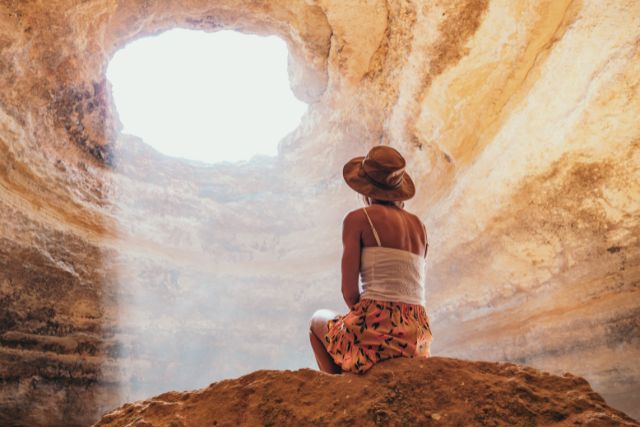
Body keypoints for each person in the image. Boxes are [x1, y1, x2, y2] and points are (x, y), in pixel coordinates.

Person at [309, 145, 433, 374]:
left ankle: (337, 385)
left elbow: (349, 292)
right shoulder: (420, 227)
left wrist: (368, 326)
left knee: (317, 320)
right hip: (418, 337)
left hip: (378, 332)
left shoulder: (358, 219)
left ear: (365, 188)